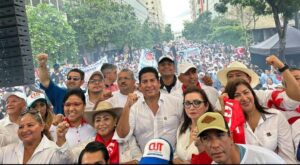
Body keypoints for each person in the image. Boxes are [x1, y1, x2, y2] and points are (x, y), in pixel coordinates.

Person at [222, 78, 296, 163]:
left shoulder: (276, 117)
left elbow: (288, 156)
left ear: (253, 94)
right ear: (230, 100)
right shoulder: (230, 125)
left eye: (246, 92)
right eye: (237, 95)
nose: (244, 98)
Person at [116, 67, 183, 151]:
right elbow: (122, 135)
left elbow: (185, 129)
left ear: (159, 83)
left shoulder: (175, 102)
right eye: (144, 82)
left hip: (173, 158)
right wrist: (127, 106)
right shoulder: (134, 108)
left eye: (152, 80)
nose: (149, 85)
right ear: (139, 86)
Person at [56, 101, 141, 164]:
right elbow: (70, 159)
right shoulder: (89, 143)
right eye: (98, 120)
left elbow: (139, 160)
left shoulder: (127, 140)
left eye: (106, 119)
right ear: (94, 124)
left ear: (115, 121)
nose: (101, 123)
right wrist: (61, 138)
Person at [216, 55, 300, 113]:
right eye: (230, 76)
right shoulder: (221, 101)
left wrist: (282, 67)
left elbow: (293, 100)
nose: (234, 79)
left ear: (249, 79)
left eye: (238, 75)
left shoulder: (263, 96)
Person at [196, 112, 285, 164]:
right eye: (206, 138)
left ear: (230, 136)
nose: (214, 145)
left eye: (220, 135)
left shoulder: (264, 160)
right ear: (202, 143)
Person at [0, 109, 74, 163]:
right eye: (21, 127)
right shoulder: (6, 151)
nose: (24, 130)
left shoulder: (53, 150)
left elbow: (66, 161)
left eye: (30, 125)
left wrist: (61, 138)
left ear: (42, 126)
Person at [173, 87, 214, 164]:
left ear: (206, 105)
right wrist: (176, 160)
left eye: (197, 103)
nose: (191, 107)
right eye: (187, 103)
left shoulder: (213, 129)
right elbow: (176, 153)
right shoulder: (183, 127)